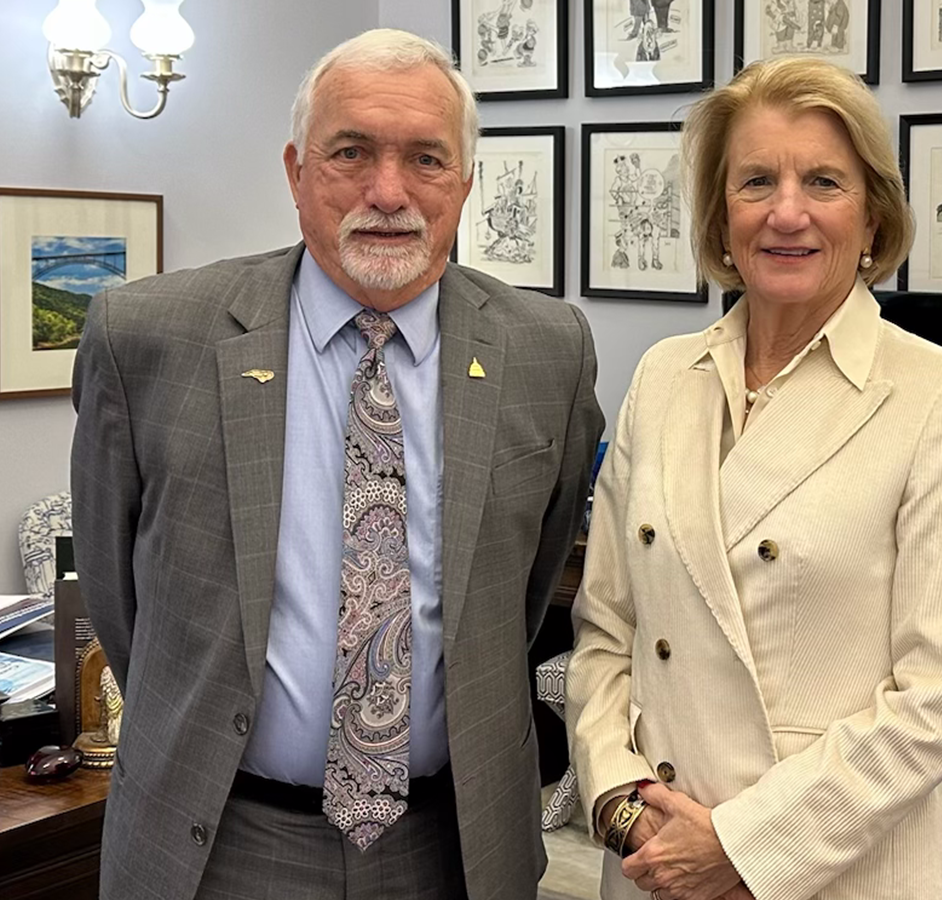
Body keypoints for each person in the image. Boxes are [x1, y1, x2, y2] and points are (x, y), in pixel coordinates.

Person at [71, 28, 604, 900]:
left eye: (426, 159)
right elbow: (120, 600)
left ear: (466, 183)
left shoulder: (548, 352)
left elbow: (524, 585)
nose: (387, 192)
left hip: (457, 848)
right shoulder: (148, 337)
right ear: (295, 171)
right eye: (351, 152)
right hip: (220, 843)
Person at [567, 56, 942, 900]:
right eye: (756, 181)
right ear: (720, 216)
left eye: (824, 181)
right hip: (655, 863)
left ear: (875, 217)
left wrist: (741, 846)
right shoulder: (663, 377)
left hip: (836, 869)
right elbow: (604, 632)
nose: (787, 212)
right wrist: (622, 803)